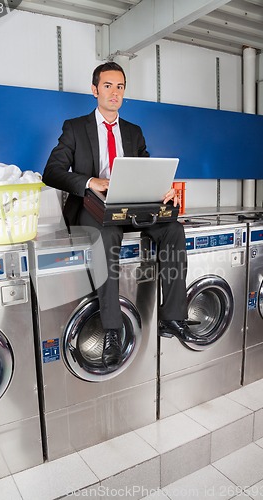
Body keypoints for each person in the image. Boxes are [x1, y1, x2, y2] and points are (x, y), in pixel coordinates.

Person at [43, 61, 201, 367]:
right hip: (92, 205)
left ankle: (172, 318)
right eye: (107, 86)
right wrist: (91, 181)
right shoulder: (75, 127)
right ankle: (113, 330)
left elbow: (145, 170)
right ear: (94, 90)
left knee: (174, 230)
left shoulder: (133, 132)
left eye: (120, 87)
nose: (114, 93)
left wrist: (163, 190)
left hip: (130, 206)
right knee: (107, 236)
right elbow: (52, 172)